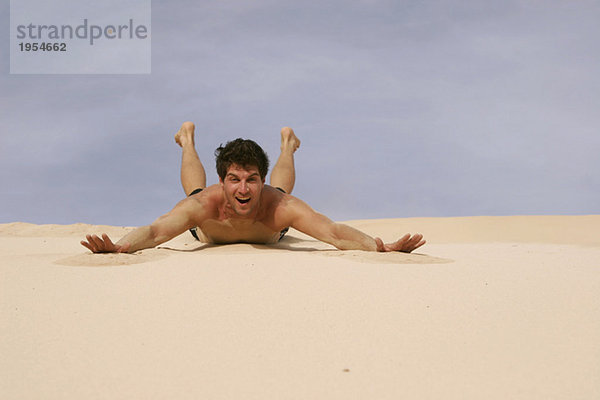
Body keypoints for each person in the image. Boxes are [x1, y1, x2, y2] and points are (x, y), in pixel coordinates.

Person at [81, 122, 426, 254]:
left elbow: (334, 233)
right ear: (223, 181)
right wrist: (120, 248)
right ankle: (186, 140)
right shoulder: (206, 204)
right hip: (208, 229)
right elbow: (156, 232)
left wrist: (379, 247)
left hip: (272, 227)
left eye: (251, 179)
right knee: (192, 194)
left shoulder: (279, 205)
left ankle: (287, 147)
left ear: (259, 180)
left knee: (282, 193)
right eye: (234, 179)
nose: (243, 188)